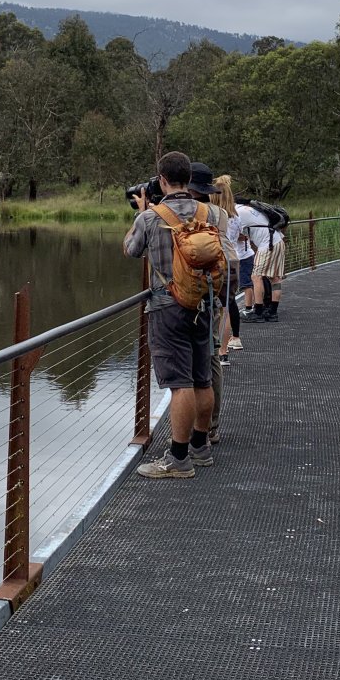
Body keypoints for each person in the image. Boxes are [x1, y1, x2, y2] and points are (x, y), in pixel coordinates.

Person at [124, 152, 236, 478]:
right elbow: (226, 256)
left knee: (180, 385)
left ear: (162, 180)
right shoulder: (213, 213)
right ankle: (200, 447)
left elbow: (131, 250)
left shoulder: (150, 217)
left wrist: (142, 214)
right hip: (205, 304)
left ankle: (178, 458)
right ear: (189, 179)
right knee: (202, 379)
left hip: (167, 307)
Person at [211, 175, 244, 362]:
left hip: (215, 260)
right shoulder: (235, 217)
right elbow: (237, 237)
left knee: (213, 307)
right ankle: (223, 352)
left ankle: (213, 350)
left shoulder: (211, 215)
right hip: (232, 262)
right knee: (227, 307)